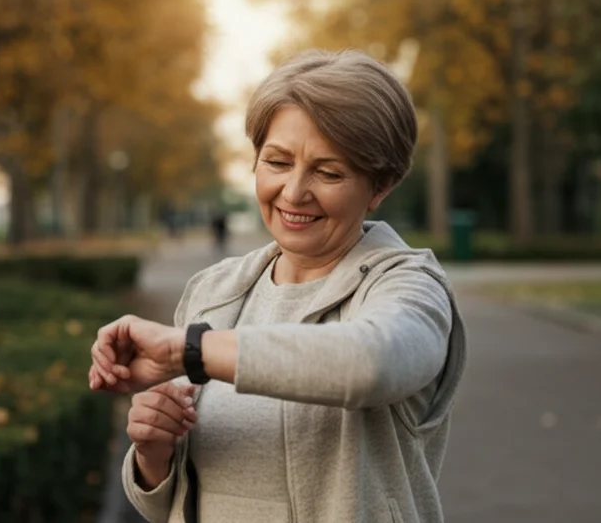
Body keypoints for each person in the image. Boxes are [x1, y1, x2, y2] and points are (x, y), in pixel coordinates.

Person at [88, 49, 467, 523]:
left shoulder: (410, 286)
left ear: (380, 186)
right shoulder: (213, 290)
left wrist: (187, 350)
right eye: (277, 162)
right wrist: (153, 453)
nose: (293, 192)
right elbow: (170, 502)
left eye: (328, 172)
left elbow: (369, 364)